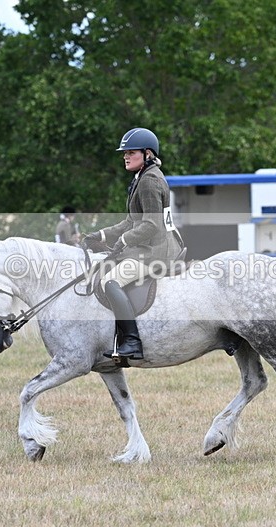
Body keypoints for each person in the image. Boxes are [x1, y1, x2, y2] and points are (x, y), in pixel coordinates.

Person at [83, 127, 184, 361]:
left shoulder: (149, 182)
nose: (125, 156)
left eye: (131, 152)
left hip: (157, 252)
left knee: (110, 281)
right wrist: (101, 235)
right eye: (124, 152)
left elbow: (151, 225)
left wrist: (124, 241)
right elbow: (131, 221)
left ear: (147, 154)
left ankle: (131, 341)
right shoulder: (142, 178)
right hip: (152, 247)